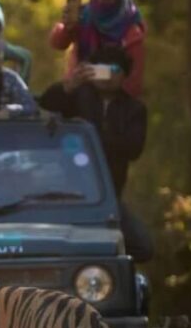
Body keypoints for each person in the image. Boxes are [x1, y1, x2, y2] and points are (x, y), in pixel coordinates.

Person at [38, 45, 152, 262]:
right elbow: (46, 105)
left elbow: (133, 148)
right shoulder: (78, 97)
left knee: (142, 245)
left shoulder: (134, 109)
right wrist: (69, 86)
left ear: (124, 74)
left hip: (107, 195)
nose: (106, 75)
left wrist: (91, 135)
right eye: (100, 68)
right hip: (67, 190)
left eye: (114, 69)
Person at [49, 0, 144, 97]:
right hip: (77, 90)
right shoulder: (84, 15)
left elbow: (133, 81)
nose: (100, 2)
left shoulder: (131, 30)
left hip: (112, 99)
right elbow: (57, 44)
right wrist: (67, 28)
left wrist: (104, 77)